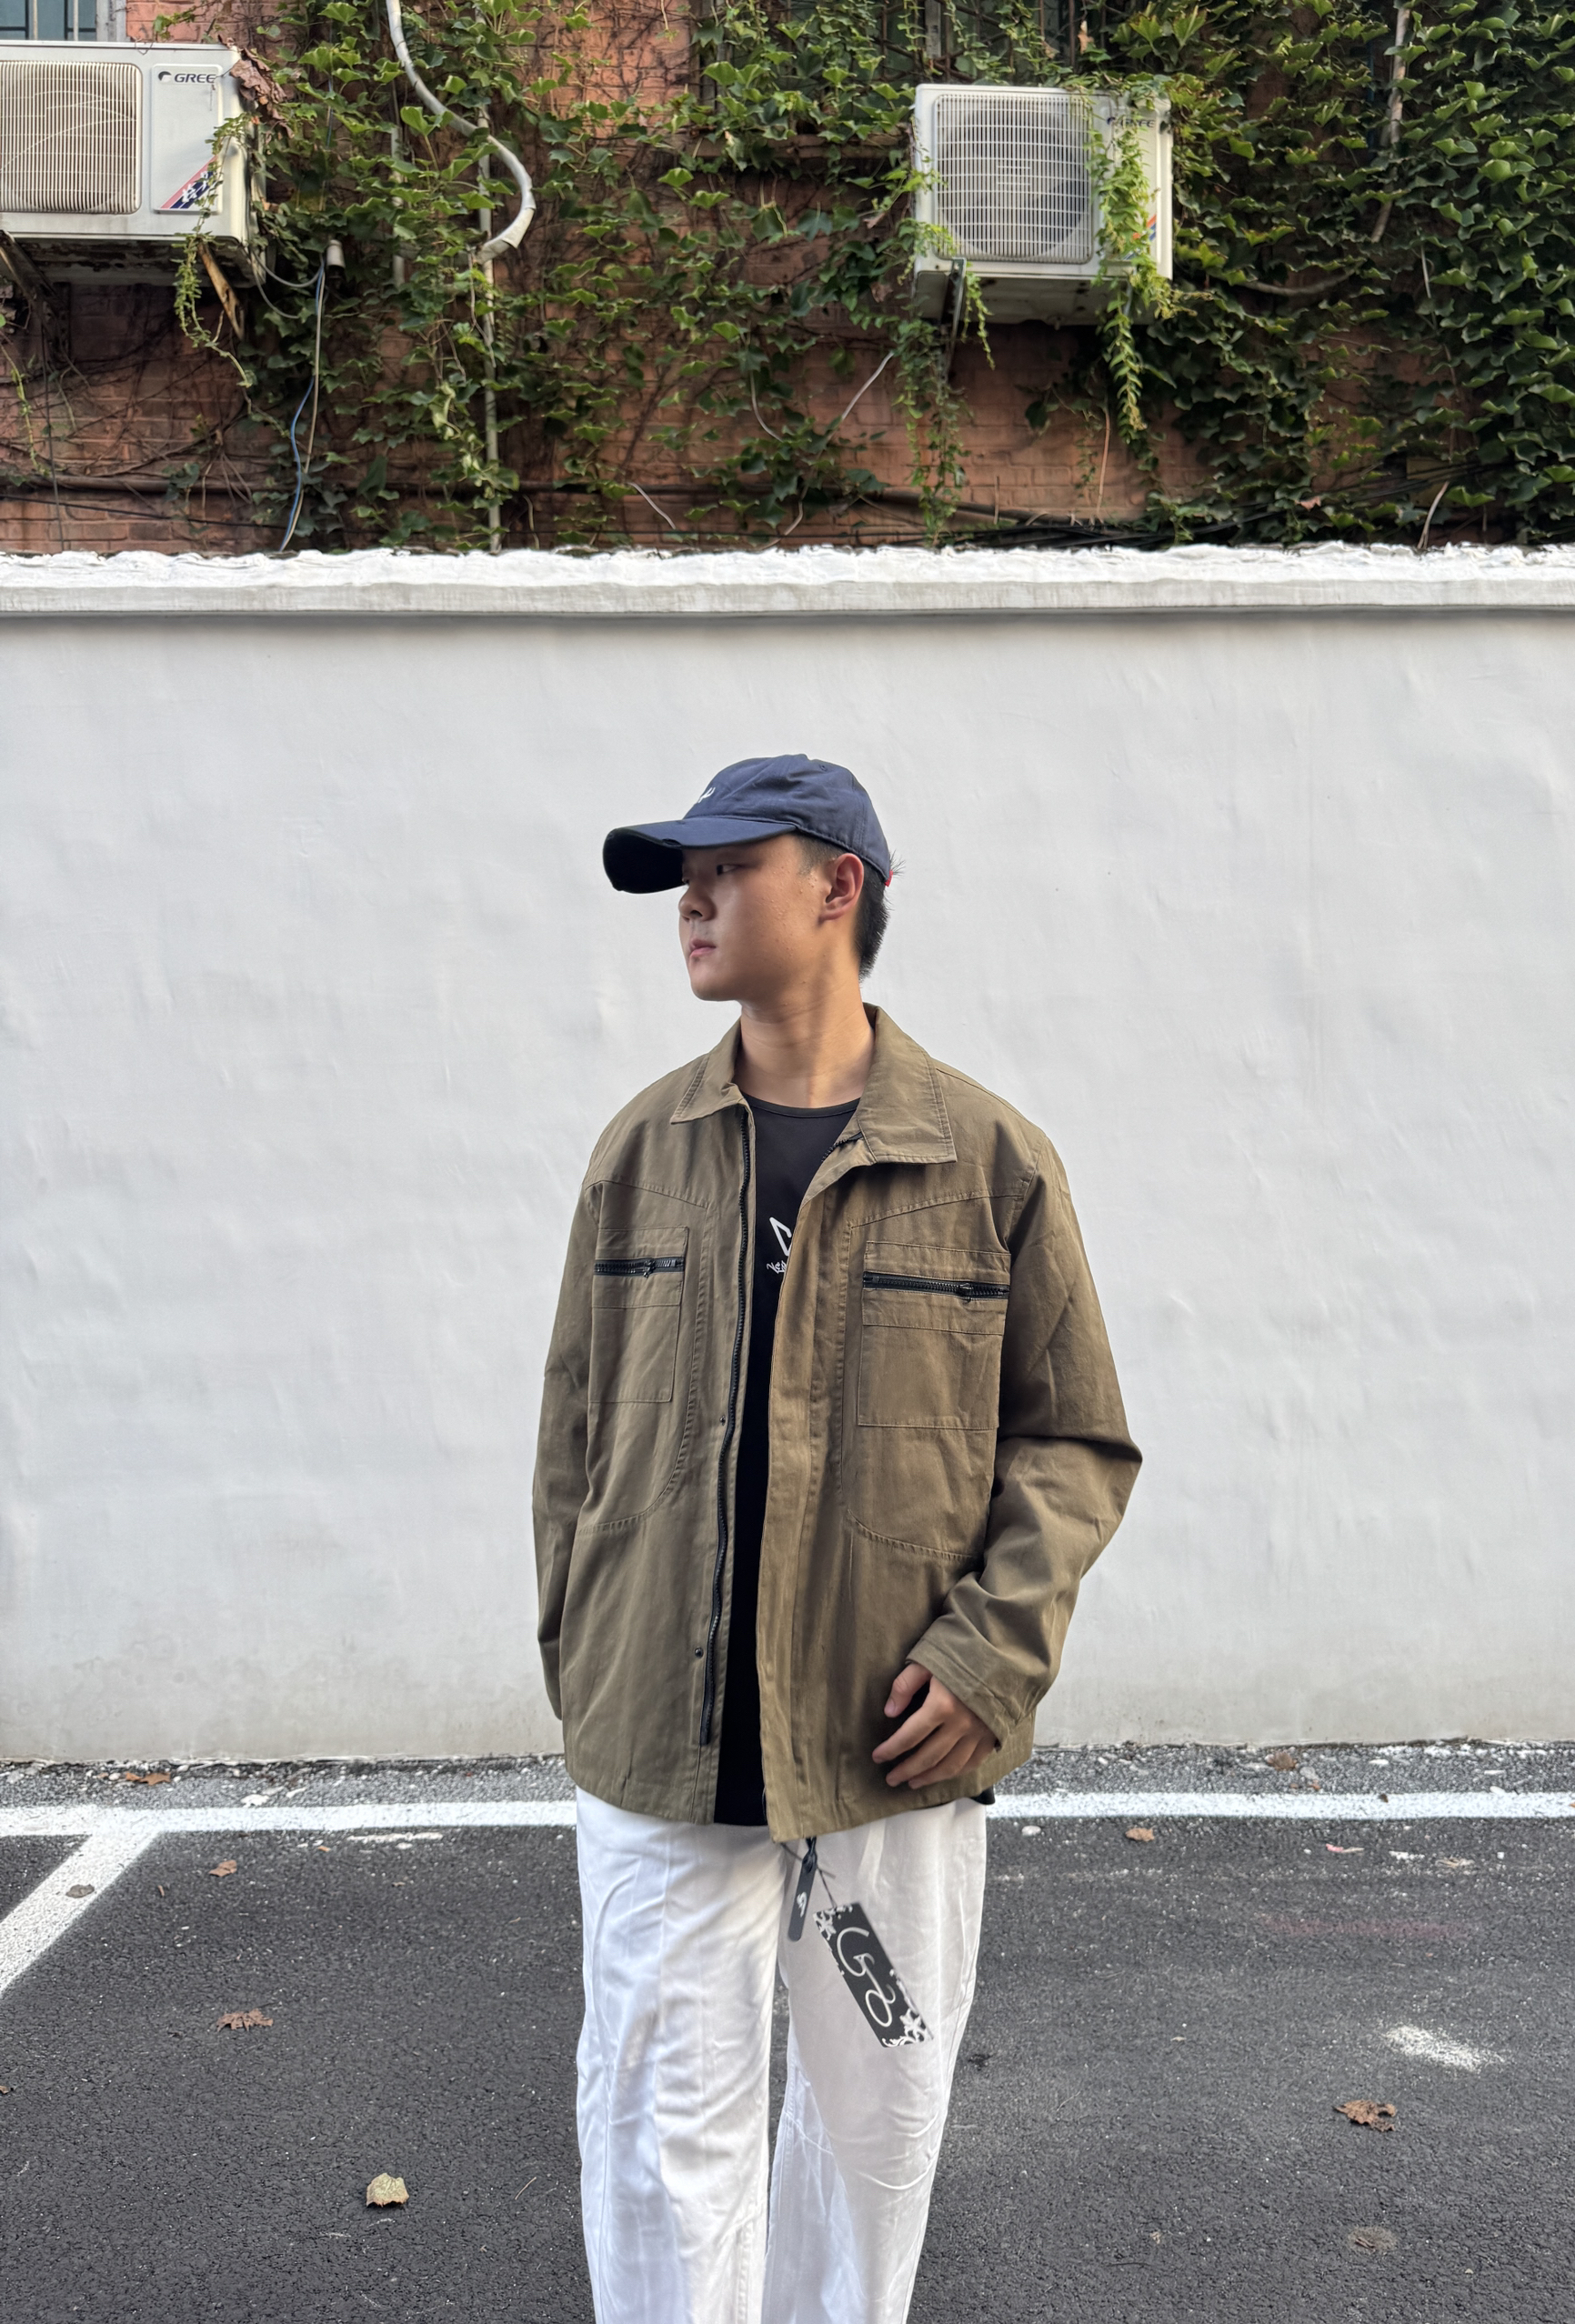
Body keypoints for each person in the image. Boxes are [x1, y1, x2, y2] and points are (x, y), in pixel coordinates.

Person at [533, 754, 1140, 2324]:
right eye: (682, 876)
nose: (691, 900)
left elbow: (1070, 1443)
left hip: (891, 1742)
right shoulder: (641, 1151)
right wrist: (588, 1658)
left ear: (836, 886)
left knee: (872, 2138)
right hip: (664, 1751)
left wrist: (990, 1661)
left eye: (727, 867)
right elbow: (576, 1441)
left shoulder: (985, 1162)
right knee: (660, 2143)